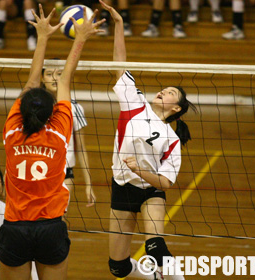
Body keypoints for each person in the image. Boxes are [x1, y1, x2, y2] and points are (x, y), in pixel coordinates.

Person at [0, 4, 104, 280]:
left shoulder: (11, 132)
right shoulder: (59, 134)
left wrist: (41, 37)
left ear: (20, 110)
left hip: (15, 228)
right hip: (50, 228)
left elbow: (33, 82)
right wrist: (80, 39)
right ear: (51, 114)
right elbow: (65, 79)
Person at [100, 1, 196, 279]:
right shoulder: (135, 103)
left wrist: (140, 169)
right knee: (118, 267)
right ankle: (152, 277)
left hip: (149, 190)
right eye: (163, 89)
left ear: (176, 108)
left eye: (170, 94)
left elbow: (165, 182)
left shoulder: (173, 138)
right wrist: (119, 24)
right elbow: (119, 64)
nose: (163, 92)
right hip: (122, 187)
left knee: (155, 246)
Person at [41, 62, 96, 208]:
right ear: (41, 79)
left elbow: (82, 148)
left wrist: (88, 184)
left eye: (59, 74)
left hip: (64, 174)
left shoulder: (74, 108)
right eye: (49, 74)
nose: (54, 78)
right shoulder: (34, 106)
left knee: (59, 222)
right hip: (37, 171)